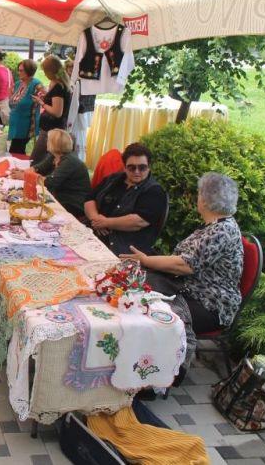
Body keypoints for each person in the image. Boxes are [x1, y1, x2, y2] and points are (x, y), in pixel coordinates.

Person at [121, 172, 243, 334]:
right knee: (133, 289)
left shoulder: (222, 230)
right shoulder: (217, 225)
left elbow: (184, 265)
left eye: (199, 193)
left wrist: (145, 260)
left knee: (144, 313)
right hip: (193, 292)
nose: (197, 197)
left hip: (211, 304)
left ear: (205, 201)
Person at [85, 142, 169, 256]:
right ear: (124, 167)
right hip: (94, 236)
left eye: (142, 167)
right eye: (131, 167)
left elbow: (138, 221)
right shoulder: (112, 179)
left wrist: (105, 223)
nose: (137, 172)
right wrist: (95, 219)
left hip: (124, 250)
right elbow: (89, 198)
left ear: (149, 168)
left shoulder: (154, 191)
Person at [31, 129, 91, 218]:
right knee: (34, 203)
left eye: (48, 140)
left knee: (37, 208)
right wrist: (26, 171)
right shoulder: (54, 156)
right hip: (60, 196)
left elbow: (50, 182)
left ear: (54, 144)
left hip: (73, 203)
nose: (46, 142)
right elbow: (39, 168)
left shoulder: (70, 161)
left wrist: (28, 176)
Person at [30, 55, 70, 165]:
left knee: (36, 159)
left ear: (51, 71)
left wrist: (41, 103)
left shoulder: (58, 87)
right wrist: (45, 97)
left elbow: (57, 112)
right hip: (49, 128)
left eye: (45, 71)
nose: (44, 74)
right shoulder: (57, 84)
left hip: (51, 130)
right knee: (44, 161)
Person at [8, 59, 42, 154]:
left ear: (29, 71)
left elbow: (45, 97)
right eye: (18, 70)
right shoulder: (18, 84)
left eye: (21, 70)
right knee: (16, 152)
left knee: (15, 152)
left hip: (26, 127)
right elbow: (13, 103)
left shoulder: (36, 85)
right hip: (15, 125)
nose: (18, 72)